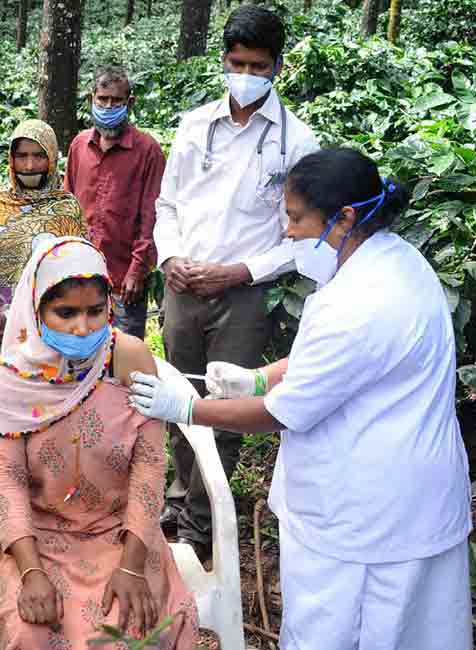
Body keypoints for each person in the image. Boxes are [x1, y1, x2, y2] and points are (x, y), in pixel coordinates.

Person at [129, 148, 473, 649]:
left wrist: (185, 408)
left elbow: (279, 413)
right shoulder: (395, 262)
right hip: (405, 498)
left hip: (366, 518)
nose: (287, 232)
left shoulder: (360, 304)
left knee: (348, 632)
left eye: (294, 217)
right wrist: (259, 377)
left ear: (346, 216)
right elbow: (330, 365)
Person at [0, 237, 199, 650]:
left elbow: (149, 467)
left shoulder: (128, 358)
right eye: (65, 313)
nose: (83, 327)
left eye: (95, 311)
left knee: (127, 629)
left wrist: (132, 567)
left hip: (122, 534)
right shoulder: (11, 377)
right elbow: (8, 481)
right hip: (38, 539)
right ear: (37, 310)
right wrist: (31, 572)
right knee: (30, 632)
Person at [153, 4, 319, 559]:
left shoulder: (296, 142)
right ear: (222, 60)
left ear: (277, 66)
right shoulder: (194, 125)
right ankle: (178, 497)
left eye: (258, 65)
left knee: (226, 402)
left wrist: (239, 272)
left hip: (244, 295)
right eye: (237, 62)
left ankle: (203, 519)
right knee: (180, 394)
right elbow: (167, 203)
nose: (246, 75)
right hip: (182, 285)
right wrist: (171, 257)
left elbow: (299, 237)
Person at [0, 119, 87, 369]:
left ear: (52, 158)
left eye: (38, 156)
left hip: (55, 319)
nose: (30, 165)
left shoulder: (67, 206)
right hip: (1, 319)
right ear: (11, 158)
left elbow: (81, 270)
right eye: (21, 156)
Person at [65, 66, 166, 339]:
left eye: (117, 100)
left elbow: (151, 216)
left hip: (124, 278)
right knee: (80, 349)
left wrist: (138, 269)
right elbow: (68, 207)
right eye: (103, 99)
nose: (109, 106)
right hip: (80, 272)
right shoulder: (79, 145)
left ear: (129, 103)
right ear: (92, 99)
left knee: (122, 354)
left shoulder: (148, 151)